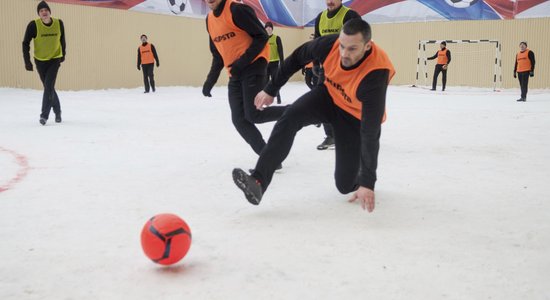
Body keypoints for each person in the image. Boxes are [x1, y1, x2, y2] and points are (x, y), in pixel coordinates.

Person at [232, 19, 395, 213]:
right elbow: (296, 58)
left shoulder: (375, 74)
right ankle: (258, 181)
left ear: (368, 46)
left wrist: (368, 182)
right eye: (343, 46)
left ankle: (357, 180)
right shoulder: (329, 45)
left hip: (353, 117)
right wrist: (271, 89)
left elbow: (370, 132)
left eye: (352, 49)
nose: (344, 53)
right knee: (290, 117)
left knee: (343, 185)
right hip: (328, 96)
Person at [202, 0, 286, 157]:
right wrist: (210, 81)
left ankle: (300, 111)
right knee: (239, 120)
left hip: (253, 66)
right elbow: (218, 56)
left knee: (254, 115)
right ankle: (269, 157)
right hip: (235, 73)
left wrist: (241, 63)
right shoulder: (209, 21)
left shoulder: (237, 10)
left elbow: (261, 36)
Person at [313, 0, 362, 150]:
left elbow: (360, 41)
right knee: (323, 101)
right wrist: (315, 62)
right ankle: (331, 136)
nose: (330, 1)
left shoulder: (350, 15)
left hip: (348, 68)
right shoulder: (320, 18)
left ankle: (358, 133)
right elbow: (317, 41)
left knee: (350, 101)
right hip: (327, 68)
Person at [22, 1, 66, 125]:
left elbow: (62, 39)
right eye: (41, 11)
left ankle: (44, 116)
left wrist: (63, 54)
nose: (44, 12)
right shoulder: (33, 25)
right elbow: (25, 43)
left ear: (49, 12)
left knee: (48, 87)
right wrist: (27, 61)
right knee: (49, 87)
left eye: (46, 10)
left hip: (54, 59)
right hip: (40, 61)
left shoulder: (59, 23)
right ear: (39, 14)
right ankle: (58, 112)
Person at [265, 22, 284, 104]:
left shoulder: (277, 38)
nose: (268, 28)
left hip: (274, 63)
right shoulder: (263, 38)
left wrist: (282, 62)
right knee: (265, 82)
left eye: (270, 27)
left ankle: (278, 97)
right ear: (265, 29)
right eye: (267, 27)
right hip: (265, 64)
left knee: (275, 81)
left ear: (272, 29)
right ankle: (266, 99)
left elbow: (280, 51)